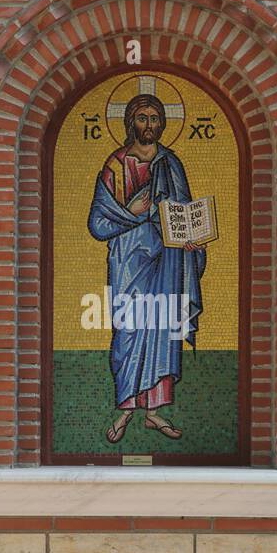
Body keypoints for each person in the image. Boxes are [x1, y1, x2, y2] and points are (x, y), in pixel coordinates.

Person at [87, 93, 206, 443]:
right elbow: (97, 223)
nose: (149, 125)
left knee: (164, 328)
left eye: (155, 118)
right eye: (143, 118)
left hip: (168, 259)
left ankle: (154, 412)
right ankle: (125, 410)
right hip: (129, 259)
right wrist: (135, 212)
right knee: (129, 329)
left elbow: (183, 212)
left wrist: (191, 239)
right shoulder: (116, 165)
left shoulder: (171, 163)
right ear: (130, 123)